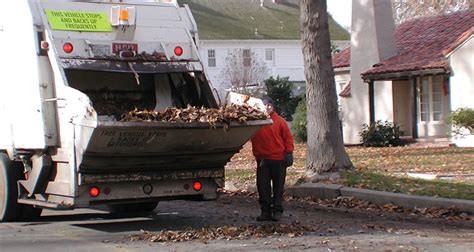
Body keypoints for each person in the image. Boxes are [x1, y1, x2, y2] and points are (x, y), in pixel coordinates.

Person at [251, 97, 294, 221]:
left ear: (273, 106)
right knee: (263, 187)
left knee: (278, 188)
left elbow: (288, 138)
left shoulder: (280, 121)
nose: (268, 107)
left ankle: (277, 211)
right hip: (262, 159)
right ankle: (265, 212)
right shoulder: (256, 122)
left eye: (270, 104)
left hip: (279, 159)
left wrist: (289, 152)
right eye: (265, 105)